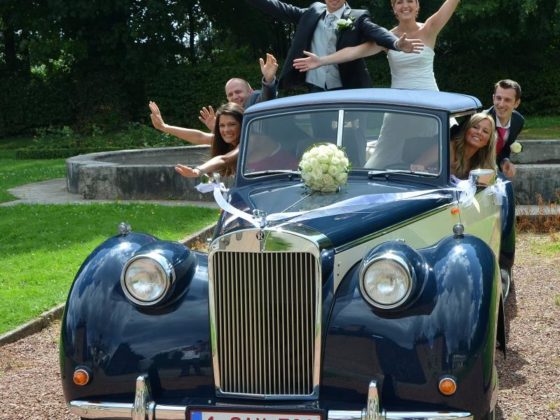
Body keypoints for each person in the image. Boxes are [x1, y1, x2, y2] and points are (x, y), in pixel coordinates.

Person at [245, 0, 423, 92]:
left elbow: (377, 32)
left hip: (349, 89)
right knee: (321, 141)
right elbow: (277, 7)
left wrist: (395, 43)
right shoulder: (312, 12)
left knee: (352, 141)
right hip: (315, 88)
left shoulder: (357, 16)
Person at [293, 0, 461, 91]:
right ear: (394, 8)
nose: (405, 6)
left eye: (410, 1)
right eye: (399, 2)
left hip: (429, 95)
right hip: (400, 100)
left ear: (417, 5)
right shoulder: (387, 38)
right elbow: (354, 52)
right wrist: (321, 60)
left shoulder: (429, 29)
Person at [149, 102, 243, 178]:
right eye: (222, 125)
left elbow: (224, 159)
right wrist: (164, 127)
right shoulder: (225, 140)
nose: (226, 130)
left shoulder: (247, 143)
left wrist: (198, 170)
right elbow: (199, 137)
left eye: (232, 124)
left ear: (243, 124)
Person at [198, 53, 279, 130]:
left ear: (250, 91)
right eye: (230, 95)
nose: (234, 97)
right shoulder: (230, 113)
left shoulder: (255, 98)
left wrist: (268, 79)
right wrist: (216, 129)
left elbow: (267, 97)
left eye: (238, 92)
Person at [485, 79, 524, 178]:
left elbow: (504, 149)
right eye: (498, 98)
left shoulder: (518, 121)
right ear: (493, 98)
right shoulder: (483, 120)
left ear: (517, 103)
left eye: (507, 100)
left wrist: (505, 162)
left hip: (494, 169)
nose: (501, 104)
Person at [450, 112, 497, 179]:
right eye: (475, 127)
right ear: (466, 129)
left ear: (488, 141)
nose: (479, 132)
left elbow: (489, 182)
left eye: (485, 131)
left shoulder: (484, 161)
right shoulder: (449, 149)